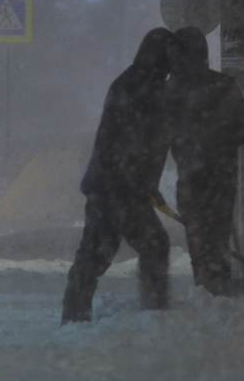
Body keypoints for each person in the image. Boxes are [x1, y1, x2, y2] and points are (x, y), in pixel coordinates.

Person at [61, 28, 175, 324]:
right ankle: (154, 312)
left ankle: (75, 313)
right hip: (121, 186)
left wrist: (146, 185)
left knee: (97, 250)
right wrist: (139, 184)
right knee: (153, 243)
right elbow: (141, 143)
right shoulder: (147, 88)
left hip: (109, 183)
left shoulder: (130, 82)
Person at [166, 26, 244, 296]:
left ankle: (205, 284)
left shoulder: (171, 90)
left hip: (191, 175)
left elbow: (159, 134)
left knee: (198, 234)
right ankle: (218, 283)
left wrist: (188, 145)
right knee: (217, 233)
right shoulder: (223, 85)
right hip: (221, 175)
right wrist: (221, 141)